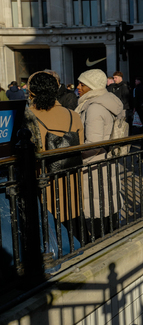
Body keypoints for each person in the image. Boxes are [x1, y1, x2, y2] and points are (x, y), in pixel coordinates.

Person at [25, 71, 85, 241]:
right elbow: (79, 144)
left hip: (42, 179)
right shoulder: (73, 115)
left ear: (31, 92)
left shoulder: (27, 117)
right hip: (70, 177)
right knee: (70, 220)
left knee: (48, 227)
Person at [75, 69, 124, 237]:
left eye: (82, 84)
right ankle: (111, 239)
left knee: (98, 208)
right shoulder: (107, 101)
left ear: (92, 86)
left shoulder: (94, 107)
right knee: (107, 204)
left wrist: (76, 155)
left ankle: (102, 243)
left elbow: (93, 143)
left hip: (93, 164)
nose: (78, 87)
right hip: (106, 161)